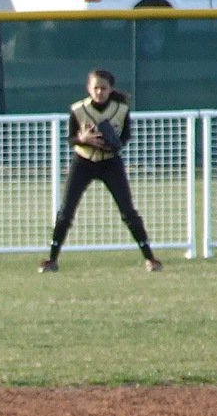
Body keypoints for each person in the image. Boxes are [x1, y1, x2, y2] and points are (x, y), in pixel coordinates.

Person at [39, 68, 162, 273]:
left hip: (110, 162)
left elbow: (125, 137)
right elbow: (71, 139)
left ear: (110, 89)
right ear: (88, 88)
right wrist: (83, 139)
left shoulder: (120, 109)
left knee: (128, 212)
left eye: (103, 88)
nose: (99, 92)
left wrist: (112, 143)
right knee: (66, 212)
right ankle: (52, 259)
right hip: (84, 161)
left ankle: (150, 258)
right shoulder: (79, 109)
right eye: (95, 88)